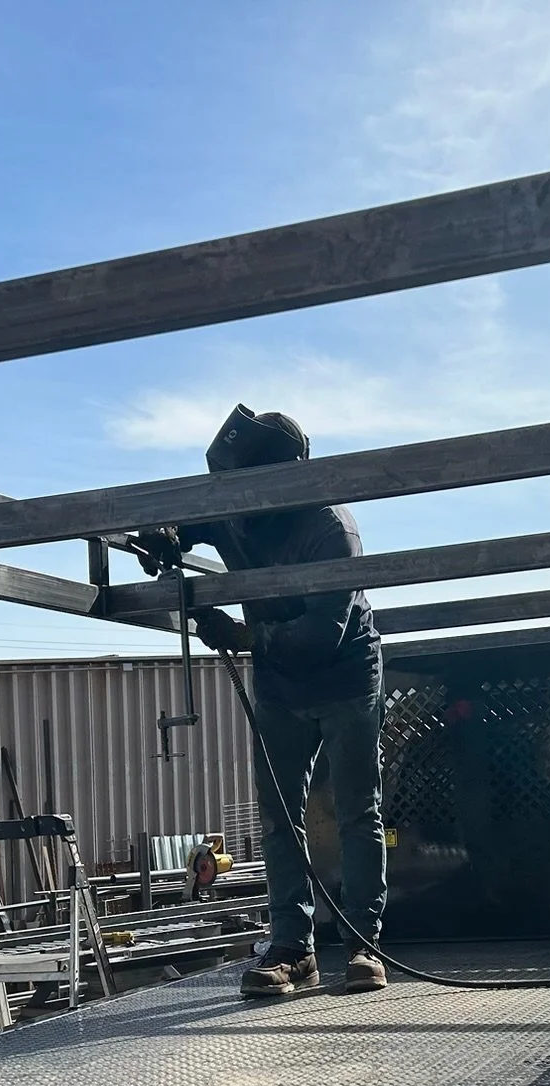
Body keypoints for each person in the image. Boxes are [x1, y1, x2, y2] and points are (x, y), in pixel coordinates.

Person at [132, 404, 388, 998]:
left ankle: (363, 945)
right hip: (277, 680)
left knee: (355, 811)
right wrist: (165, 537)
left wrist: (244, 635)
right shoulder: (236, 509)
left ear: (284, 478)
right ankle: (293, 950)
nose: (235, 498)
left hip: (346, 675)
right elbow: (190, 522)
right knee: (279, 815)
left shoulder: (330, 528)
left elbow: (324, 632)